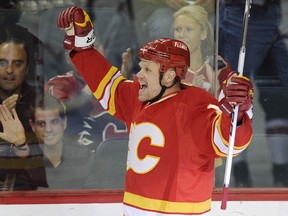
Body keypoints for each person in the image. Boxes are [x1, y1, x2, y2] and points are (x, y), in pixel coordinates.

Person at [57, 6, 253, 215]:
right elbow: (104, 80)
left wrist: (238, 113)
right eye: (141, 67)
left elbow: (228, 143)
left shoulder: (198, 105)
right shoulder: (136, 97)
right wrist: (82, 46)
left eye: (147, 69)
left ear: (169, 77)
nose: (139, 75)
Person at [220, 0, 288, 187]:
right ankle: (239, 172)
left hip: (271, 15)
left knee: (276, 97)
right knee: (235, 97)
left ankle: (281, 172)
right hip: (236, 14)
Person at [0, 35, 47, 190]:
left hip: (29, 191)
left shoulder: (40, 102)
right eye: (2, 63)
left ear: (27, 69)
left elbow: (50, 155)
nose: (9, 70)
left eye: (17, 64)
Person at [28, 93, 97, 190]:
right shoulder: (25, 160)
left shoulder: (85, 156)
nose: (48, 129)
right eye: (41, 124)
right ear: (33, 126)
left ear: (64, 122)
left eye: (54, 122)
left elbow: (94, 199)